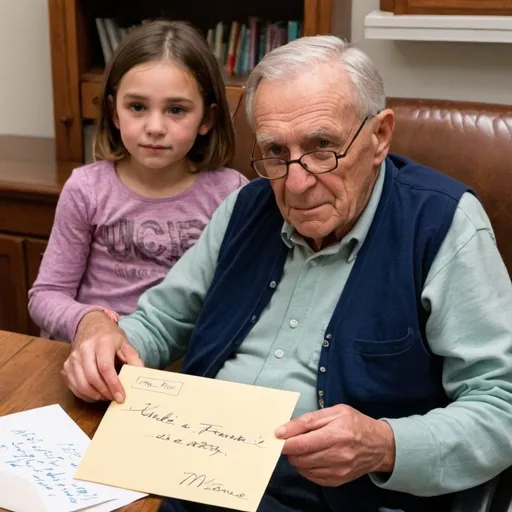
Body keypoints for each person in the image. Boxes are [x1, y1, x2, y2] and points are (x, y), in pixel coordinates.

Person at [61, 35, 512, 512]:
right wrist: (103, 336)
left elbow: (501, 404)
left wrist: (384, 443)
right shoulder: (245, 207)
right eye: (276, 152)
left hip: (346, 499)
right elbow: (157, 324)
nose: (296, 183)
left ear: (379, 136)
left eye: (323, 148)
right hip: (190, 472)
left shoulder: (443, 225)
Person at [28, 20, 248, 342]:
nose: (155, 126)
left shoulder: (232, 193)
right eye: (137, 107)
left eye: (176, 109)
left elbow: (243, 296)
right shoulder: (86, 190)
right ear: (114, 113)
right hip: (95, 356)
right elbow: (46, 295)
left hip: (183, 365)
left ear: (207, 119)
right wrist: (86, 320)